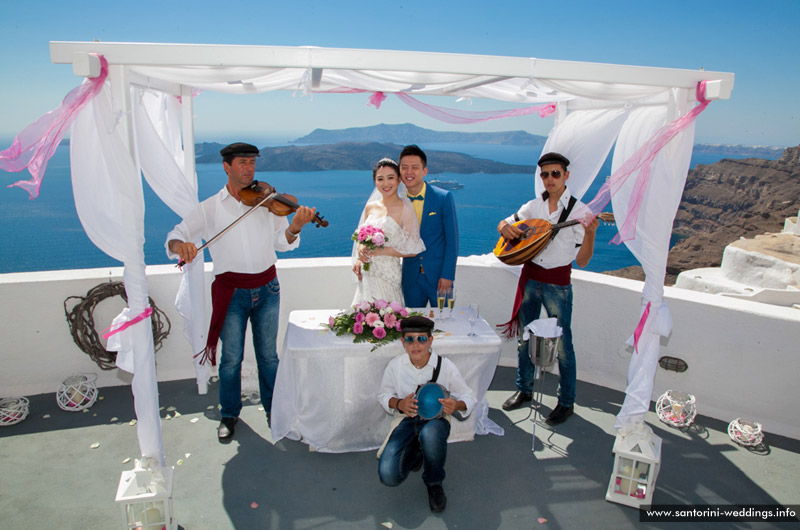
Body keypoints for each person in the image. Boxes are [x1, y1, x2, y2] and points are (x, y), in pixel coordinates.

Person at [165, 142, 316, 442]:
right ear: (227, 167)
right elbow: (176, 235)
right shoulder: (209, 208)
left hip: (267, 288)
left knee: (268, 357)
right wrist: (179, 246)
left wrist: (296, 226)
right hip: (231, 292)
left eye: (252, 163)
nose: (249, 168)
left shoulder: (268, 201)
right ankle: (229, 413)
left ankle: (275, 409)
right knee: (231, 358)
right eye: (243, 163)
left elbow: (282, 243)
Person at [497, 152, 598, 426]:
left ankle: (566, 403)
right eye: (545, 174)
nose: (550, 179)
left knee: (564, 346)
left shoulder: (580, 212)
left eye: (555, 173)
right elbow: (505, 222)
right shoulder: (532, 206)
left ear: (566, 175)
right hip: (530, 277)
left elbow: (583, 261)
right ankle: (524, 389)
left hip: (558, 284)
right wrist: (506, 228)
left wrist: (590, 233)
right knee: (524, 338)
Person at [377, 316, 476, 512]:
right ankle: (417, 453)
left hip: (435, 421)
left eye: (421, 339)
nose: (416, 344)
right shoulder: (395, 366)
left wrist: (456, 405)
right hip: (406, 419)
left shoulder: (445, 366)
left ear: (430, 341)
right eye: (410, 339)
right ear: (403, 342)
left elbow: (469, 396)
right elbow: (383, 395)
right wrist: (399, 403)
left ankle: (434, 483)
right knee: (389, 476)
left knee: (430, 434)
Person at [352, 158, 425, 305]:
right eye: (380, 179)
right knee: (364, 319)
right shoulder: (370, 207)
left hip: (388, 273)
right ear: (375, 182)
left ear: (399, 180)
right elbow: (361, 237)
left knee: (388, 318)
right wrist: (360, 255)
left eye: (390, 178)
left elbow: (413, 249)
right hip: (367, 274)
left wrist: (380, 251)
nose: (386, 183)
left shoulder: (405, 208)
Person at [397, 145, 459, 308]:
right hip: (411, 279)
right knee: (413, 325)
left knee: (445, 323)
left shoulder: (443, 197)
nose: (409, 172)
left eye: (414, 167)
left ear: (424, 171)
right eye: (404, 168)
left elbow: (452, 241)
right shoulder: (397, 202)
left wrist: (448, 275)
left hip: (439, 277)